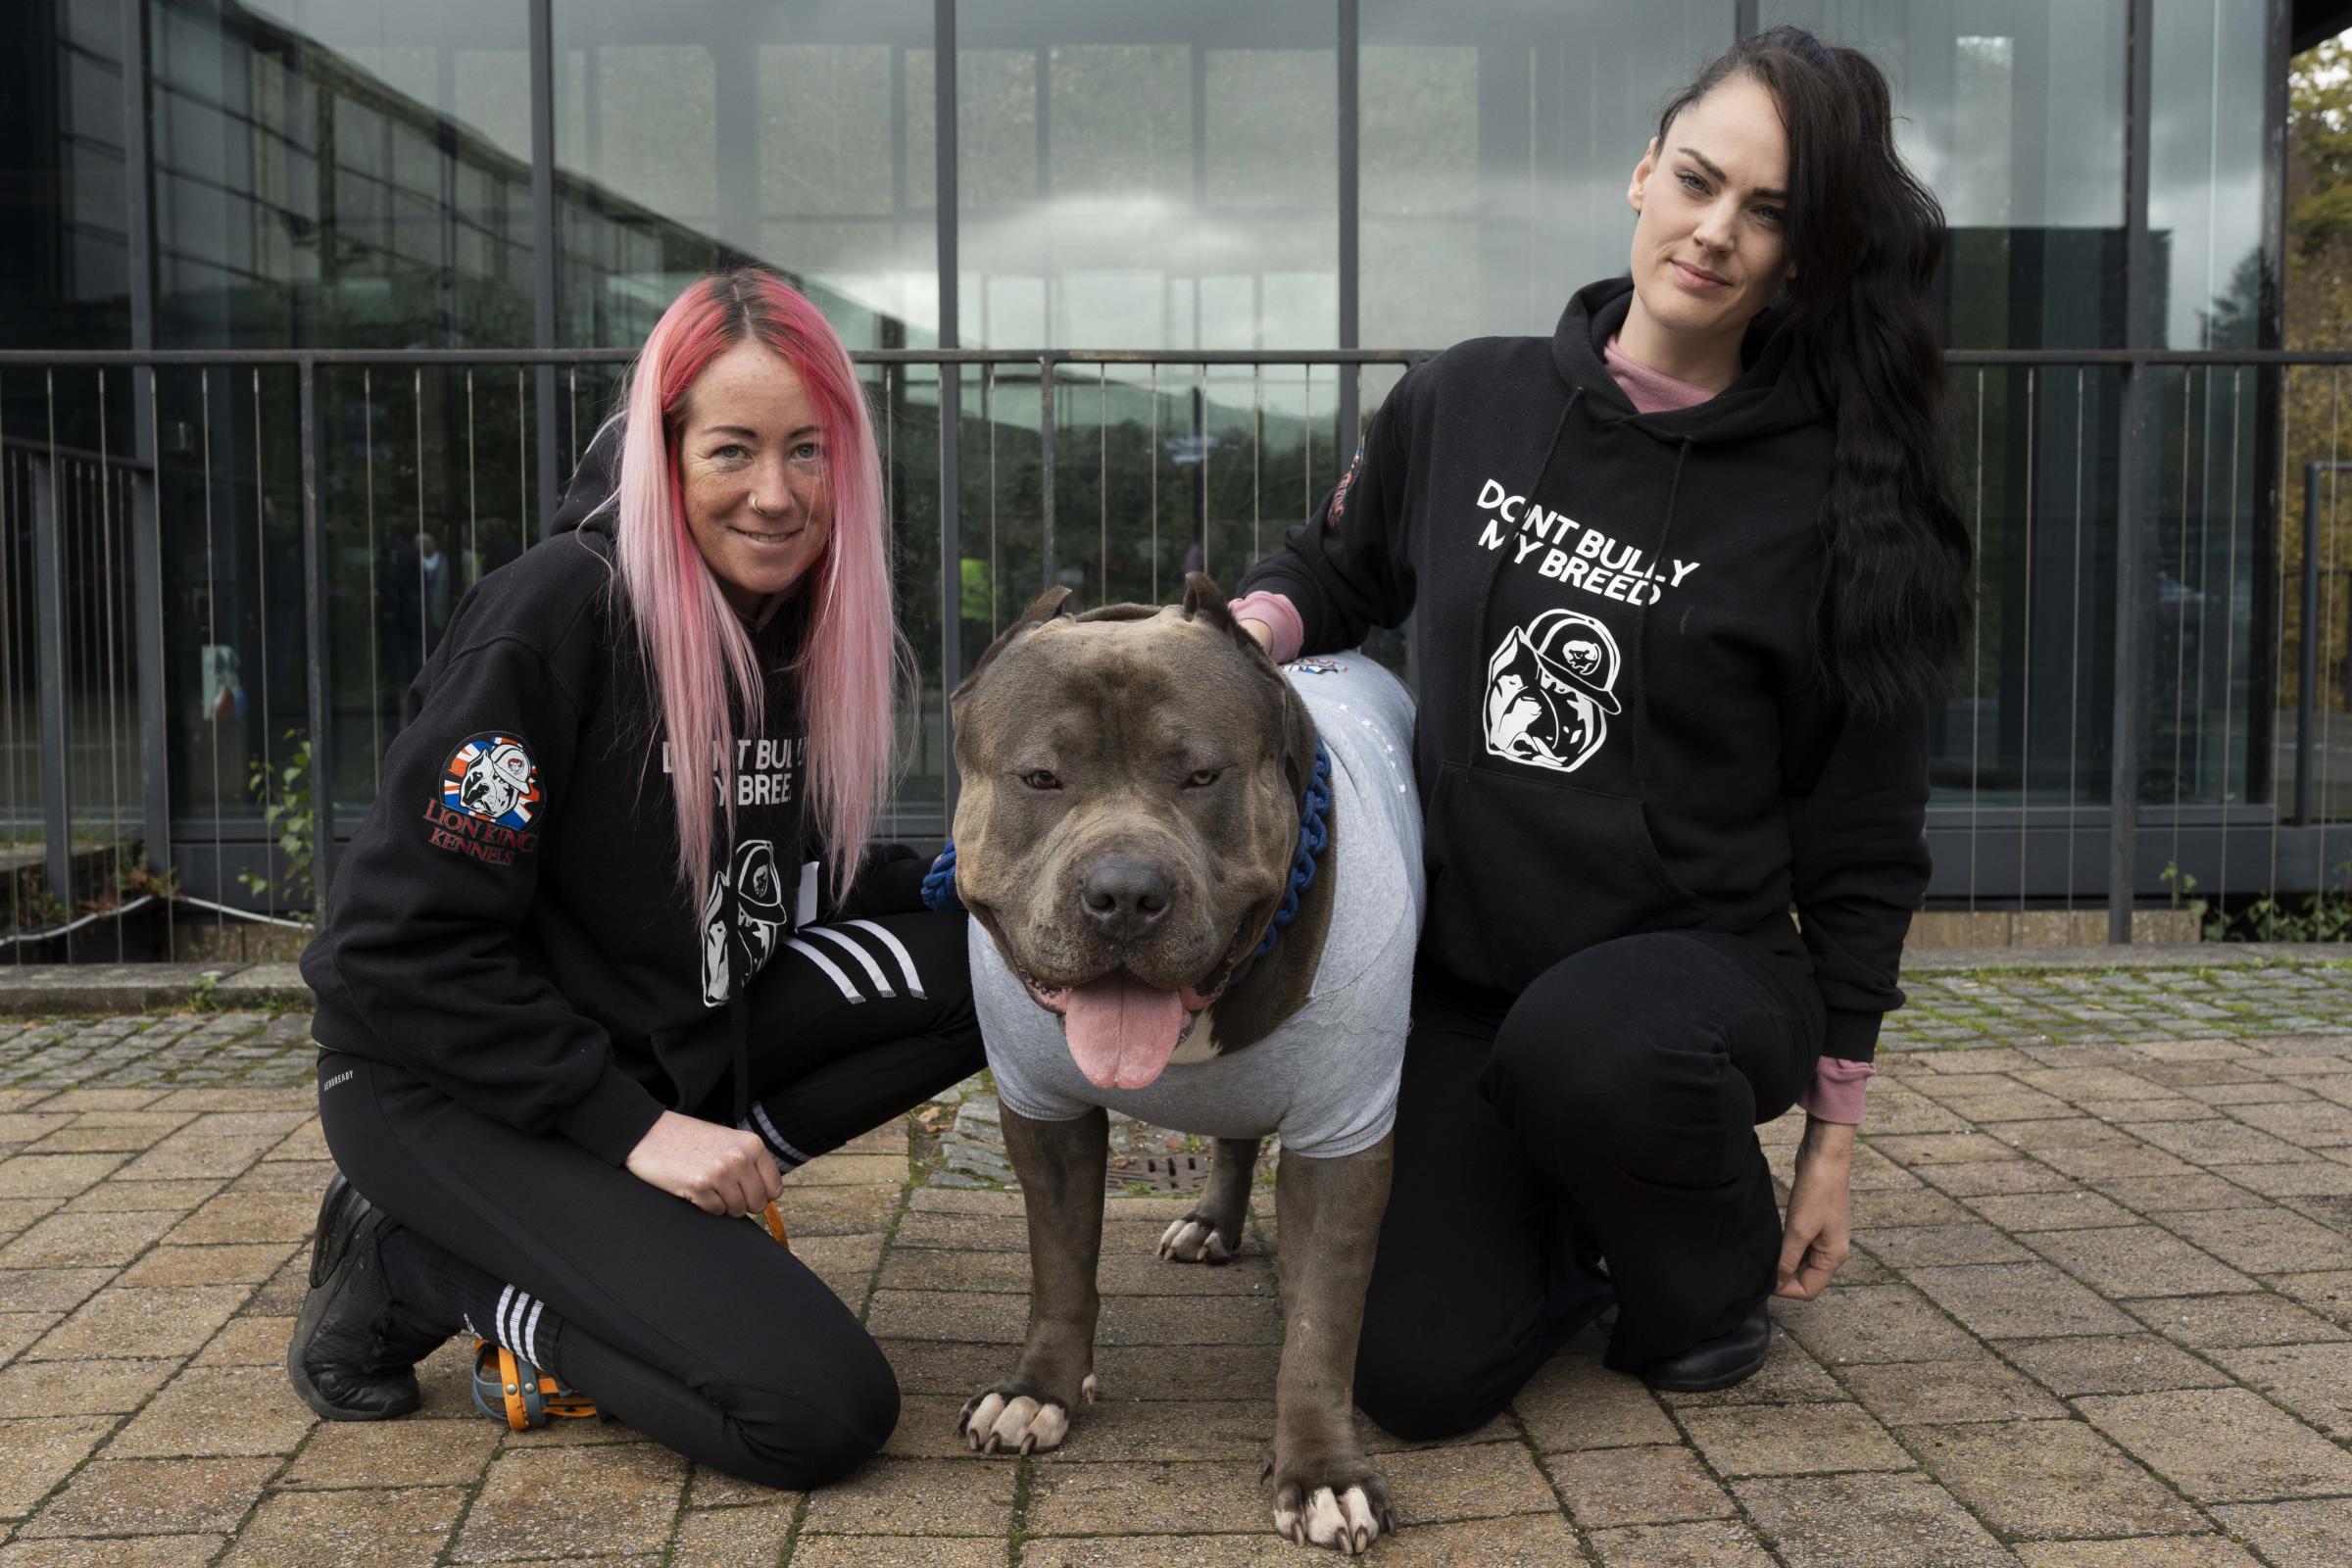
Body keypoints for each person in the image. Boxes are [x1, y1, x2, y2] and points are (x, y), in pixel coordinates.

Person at [1229, 26, 1970, 1433]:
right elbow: (1338, 572)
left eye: (1769, 216)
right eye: (1698, 180)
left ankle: (1707, 1283)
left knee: (1598, 1049)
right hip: (1470, 982)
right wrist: (1240, 636)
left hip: (1699, 982)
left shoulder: (1840, 501)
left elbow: (1865, 842)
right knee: (1410, 1383)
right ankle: (1571, 1223)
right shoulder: (1469, 397)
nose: (1715, 233)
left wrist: (1833, 1142)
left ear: (1805, 261)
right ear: (1642, 173)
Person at [289, 269, 983, 1489]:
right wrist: (639, 1133)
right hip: (448, 1085)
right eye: (732, 450)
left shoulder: (797, 624)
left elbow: (782, 857)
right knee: (815, 1411)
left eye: (808, 451)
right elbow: (387, 953)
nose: (777, 494)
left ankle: (645, 1220)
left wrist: (962, 878)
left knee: (997, 960)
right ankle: (416, 1265)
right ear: (663, 457)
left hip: (652, 1044)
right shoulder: (559, 614)